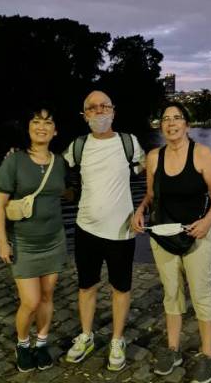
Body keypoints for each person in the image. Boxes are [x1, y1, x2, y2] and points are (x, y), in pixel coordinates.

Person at [131, 102, 211, 383]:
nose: (171, 123)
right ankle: (172, 349)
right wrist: (139, 210)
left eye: (177, 118)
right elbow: (152, 196)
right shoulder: (153, 157)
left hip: (198, 233)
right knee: (171, 292)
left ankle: (207, 355)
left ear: (187, 124)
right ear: (161, 126)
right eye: (165, 119)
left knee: (200, 293)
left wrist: (208, 220)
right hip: (162, 234)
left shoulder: (202, 154)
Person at [63, 90, 145, 371]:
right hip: (86, 228)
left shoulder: (128, 143)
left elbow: (153, 170)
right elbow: (50, 170)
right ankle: (86, 335)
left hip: (121, 230)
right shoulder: (77, 146)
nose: (99, 111)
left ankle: (117, 339)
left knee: (120, 288)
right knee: (86, 286)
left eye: (104, 106)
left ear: (113, 111)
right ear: (84, 114)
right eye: (92, 108)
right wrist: (20, 159)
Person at [0, 108, 67, 373]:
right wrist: (3, 241)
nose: (42, 127)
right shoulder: (14, 161)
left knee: (47, 296)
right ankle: (23, 344)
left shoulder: (61, 162)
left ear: (55, 130)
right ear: (28, 129)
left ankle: (42, 343)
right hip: (25, 243)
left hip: (54, 240)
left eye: (48, 122)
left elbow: (68, 192)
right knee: (31, 302)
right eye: (36, 122)